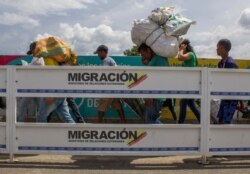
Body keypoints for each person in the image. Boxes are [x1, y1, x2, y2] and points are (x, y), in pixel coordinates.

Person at [27, 42, 75, 123]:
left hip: (53, 91)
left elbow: (53, 75)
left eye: (32, 52)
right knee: (65, 117)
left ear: (36, 49)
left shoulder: (47, 57)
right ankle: (75, 133)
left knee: (40, 117)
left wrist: (51, 92)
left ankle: (42, 135)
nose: (32, 55)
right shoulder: (48, 55)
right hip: (59, 91)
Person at [138, 43, 169, 124]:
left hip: (155, 97)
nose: (143, 56)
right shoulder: (155, 59)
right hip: (155, 96)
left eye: (143, 54)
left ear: (148, 50)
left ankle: (166, 134)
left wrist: (150, 95)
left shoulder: (159, 59)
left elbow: (159, 78)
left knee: (149, 120)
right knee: (149, 119)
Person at [94, 45, 126, 123]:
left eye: (98, 53)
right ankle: (124, 122)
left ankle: (99, 125)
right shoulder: (110, 60)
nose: (98, 55)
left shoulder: (106, 61)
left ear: (103, 52)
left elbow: (105, 75)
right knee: (117, 105)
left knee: (101, 107)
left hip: (109, 89)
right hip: (114, 88)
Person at [177, 39, 200, 124]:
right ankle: (202, 121)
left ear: (185, 46)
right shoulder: (188, 56)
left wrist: (181, 50)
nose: (179, 48)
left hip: (190, 84)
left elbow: (179, 57)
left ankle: (180, 124)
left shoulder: (190, 54)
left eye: (181, 46)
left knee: (183, 103)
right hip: (188, 83)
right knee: (191, 105)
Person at [216, 39, 238, 124]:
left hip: (231, 98)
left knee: (226, 122)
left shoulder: (231, 64)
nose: (216, 49)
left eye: (217, 47)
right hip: (224, 96)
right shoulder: (220, 63)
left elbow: (235, 81)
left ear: (222, 48)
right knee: (220, 120)